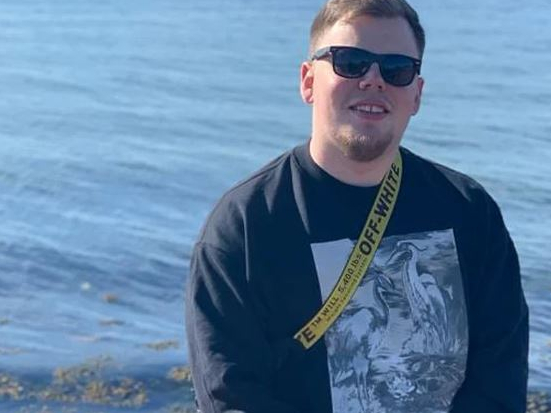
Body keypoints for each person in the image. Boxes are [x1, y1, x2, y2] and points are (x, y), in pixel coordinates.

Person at [185, 0, 529, 412]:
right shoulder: (245, 227)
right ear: (308, 81)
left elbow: (500, 380)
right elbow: (232, 397)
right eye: (350, 62)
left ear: (416, 94)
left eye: (397, 69)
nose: (373, 81)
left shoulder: (470, 213)